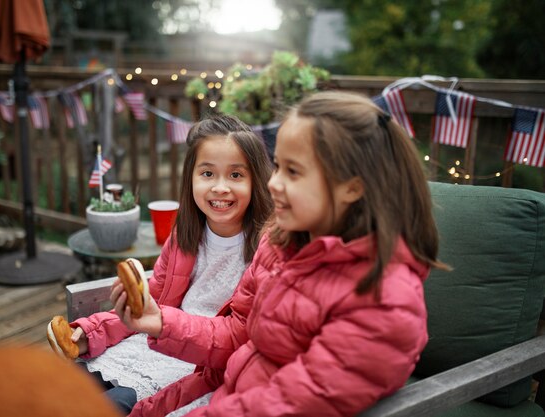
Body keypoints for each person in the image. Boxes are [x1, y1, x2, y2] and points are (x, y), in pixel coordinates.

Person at [114, 90, 449, 417]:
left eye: (293, 171)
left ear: (353, 186)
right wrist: (162, 323)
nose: (273, 183)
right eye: (277, 167)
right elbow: (237, 334)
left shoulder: (382, 301)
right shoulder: (280, 247)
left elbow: (290, 401)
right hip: (223, 388)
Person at [58, 114, 274, 414]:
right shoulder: (185, 236)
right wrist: (91, 332)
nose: (220, 187)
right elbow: (152, 300)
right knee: (60, 388)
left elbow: (237, 335)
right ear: (191, 178)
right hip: (152, 345)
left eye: (236, 175)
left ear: (257, 181)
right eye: (208, 174)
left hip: (202, 367)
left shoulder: (267, 249)